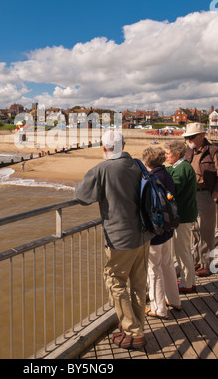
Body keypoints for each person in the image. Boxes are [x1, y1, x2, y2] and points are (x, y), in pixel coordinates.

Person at [74, 129, 154, 350]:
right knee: (138, 284)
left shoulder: (103, 168)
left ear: (103, 148)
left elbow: (81, 195)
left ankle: (134, 332)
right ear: (124, 145)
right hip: (144, 233)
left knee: (115, 282)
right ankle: (135, 326)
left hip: (120, 237)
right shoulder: (137, 164)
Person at [142, 147, 181, 319]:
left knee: (154, 269)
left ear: (146, 162)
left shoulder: (151, 178)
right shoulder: (167, 175)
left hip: (155, 230)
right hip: (167, 227)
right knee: (167, 264)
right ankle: (174, 300)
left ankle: (158, 309)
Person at [183, 122, 218, 277]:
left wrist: (216, 192)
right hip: (192, 194)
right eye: (187, 137)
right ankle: (198, 261)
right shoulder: (188, 151)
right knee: (196, 230)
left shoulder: (213, 151)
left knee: (206, 232)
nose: (188, 139)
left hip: (207, 194)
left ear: (202, 136)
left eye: (191, 137)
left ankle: (208, 265)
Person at [164, 140, 198, 293]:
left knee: (182, 250)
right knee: (182, 249)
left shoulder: (183, 168)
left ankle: (187, 283)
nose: (166, 156)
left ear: (177, 154)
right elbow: (170, 172)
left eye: (168, 153)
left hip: (183, 215)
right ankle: (188, 279)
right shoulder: (180, 166)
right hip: (185, 214)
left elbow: (174, 188)